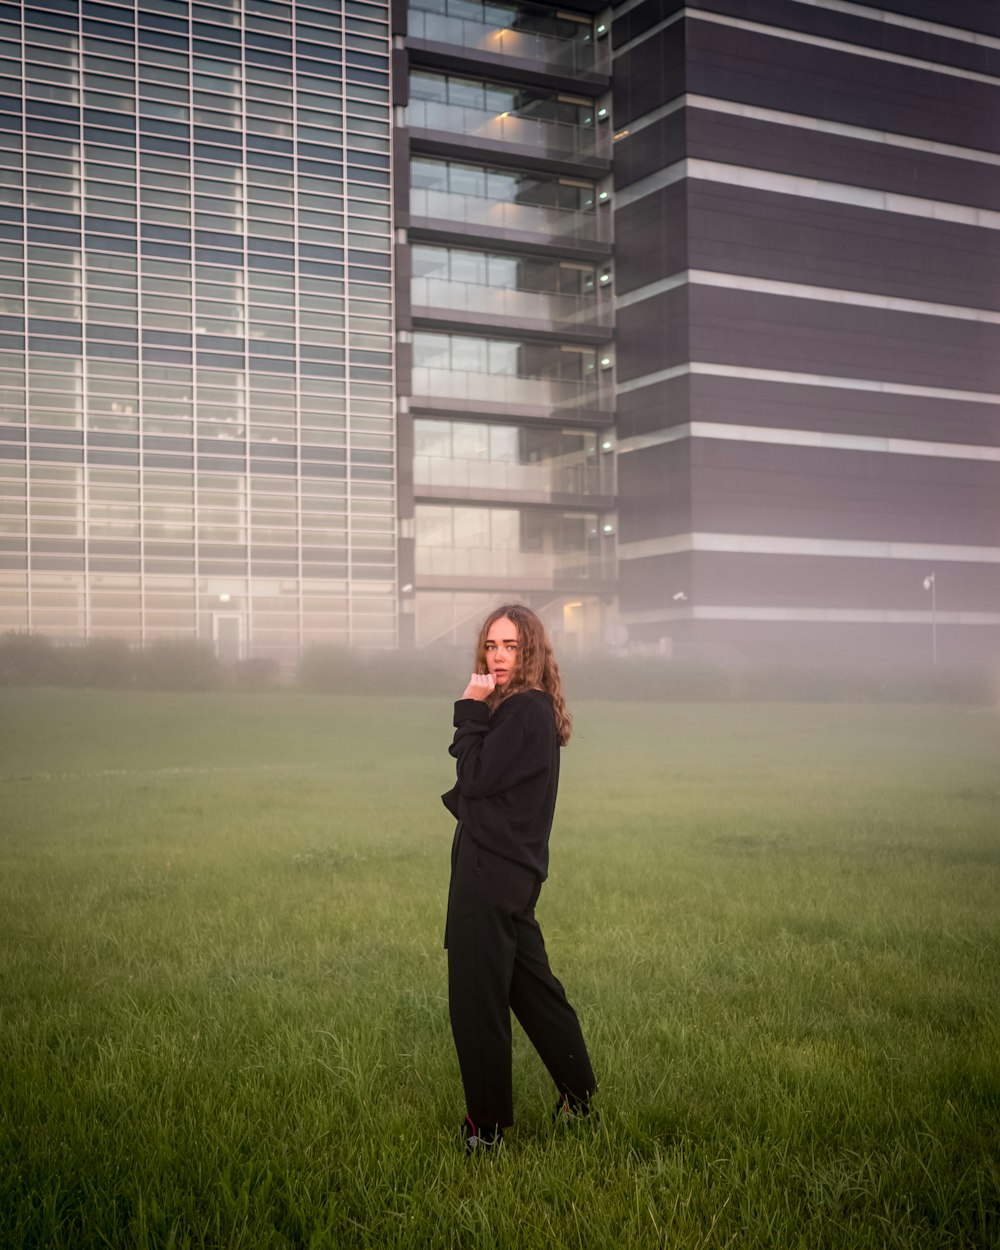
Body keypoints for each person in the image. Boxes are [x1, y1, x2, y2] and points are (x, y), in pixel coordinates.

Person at [442, 603, 597, 1152]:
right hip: (513, 873)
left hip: (489, 874)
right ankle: (580, 1100)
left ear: (530, 651)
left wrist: (469, 707)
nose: (499, 656)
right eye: (491, 645)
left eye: (510, 646)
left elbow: (475, 773)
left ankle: (485, 1130)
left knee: (477, 999)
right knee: (532, 991)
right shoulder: (532, 709)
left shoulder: (520, 711)